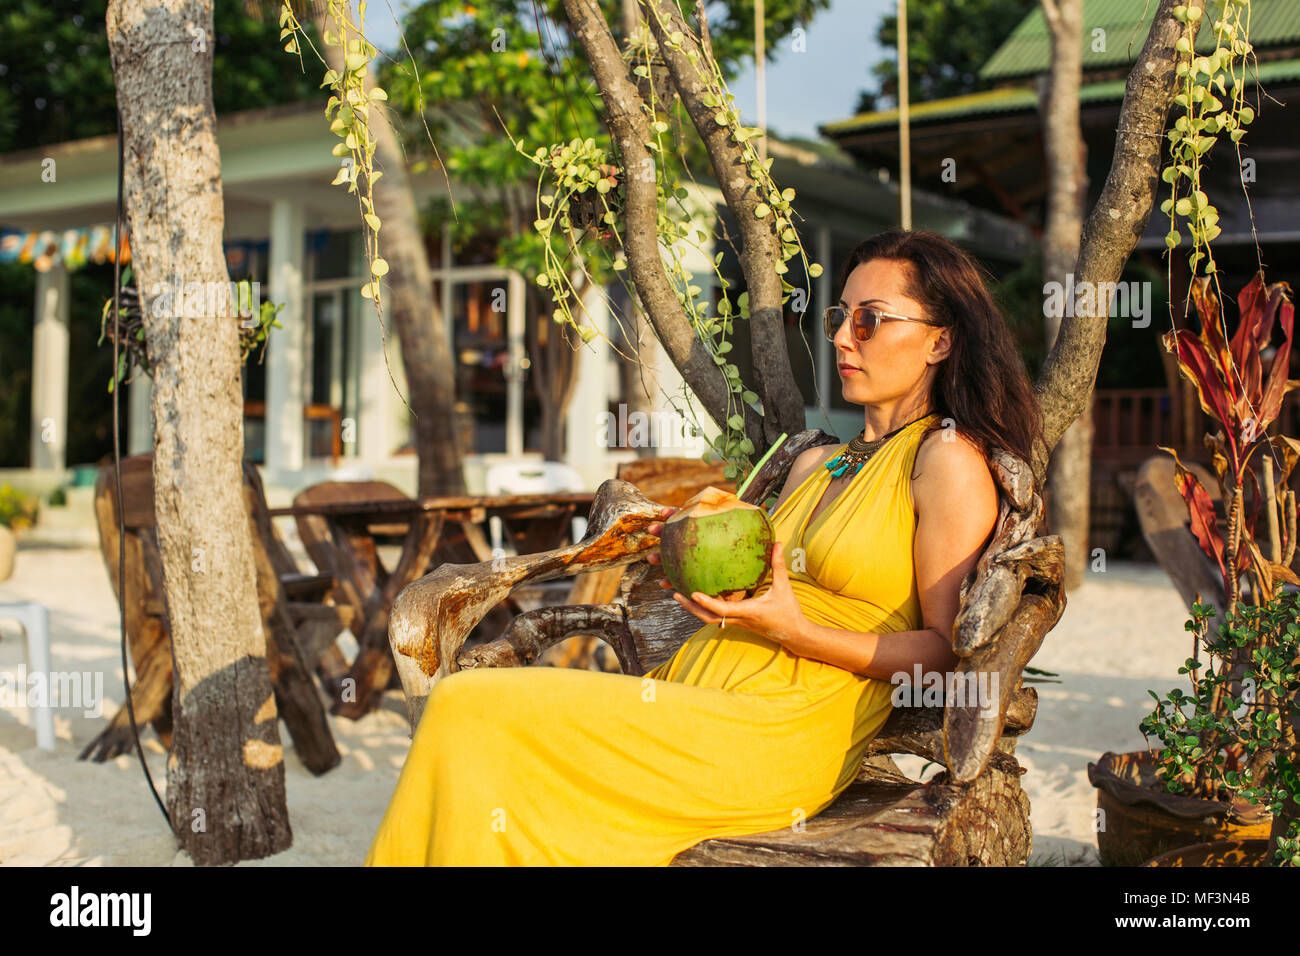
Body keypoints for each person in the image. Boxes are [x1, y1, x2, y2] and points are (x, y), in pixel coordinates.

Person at [363, 229, 1044, 866]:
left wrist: (796, 630)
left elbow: (946, 649)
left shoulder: (945, 460)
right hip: (689, 695)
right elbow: (754, 584)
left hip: (779, 734)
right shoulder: (818, 463)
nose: (842, 336)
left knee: (467, 707)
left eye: (870, 319)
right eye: (838, 316)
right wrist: (689, 551)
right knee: (477, 735)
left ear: (939, 342)